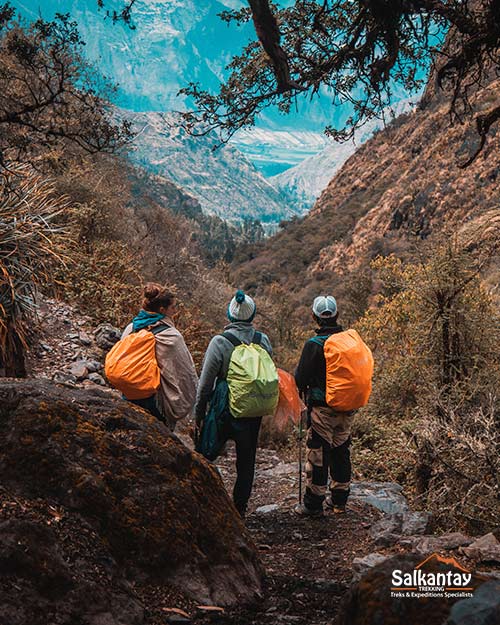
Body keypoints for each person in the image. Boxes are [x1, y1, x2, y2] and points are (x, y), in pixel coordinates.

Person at [194, 290, 273, 517]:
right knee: (246, 461)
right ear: (252, 315)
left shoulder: (220, 342)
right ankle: (239, 509)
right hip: (251, 409)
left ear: (230, 314)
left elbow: (205, 384)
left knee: (205, 453)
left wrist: (198, 415)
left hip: (224, 406)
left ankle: (205, 503)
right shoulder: (262, 340)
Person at [294, 295, 355, 516]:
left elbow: (300, 379)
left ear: (315, 316)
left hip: (322, 408)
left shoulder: (313, 345)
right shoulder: (348, 341)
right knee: (341, 452)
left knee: (318, 453)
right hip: (347, 408)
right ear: (337, 315)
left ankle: (313, 503)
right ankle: (339, 502)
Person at [122, 283, 198, 431]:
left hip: (130, 395)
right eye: (173, 307)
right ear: (162, 310)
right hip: (156, 403)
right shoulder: (172, 336)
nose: (175, 311)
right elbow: (186, 373)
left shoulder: (131, 329)